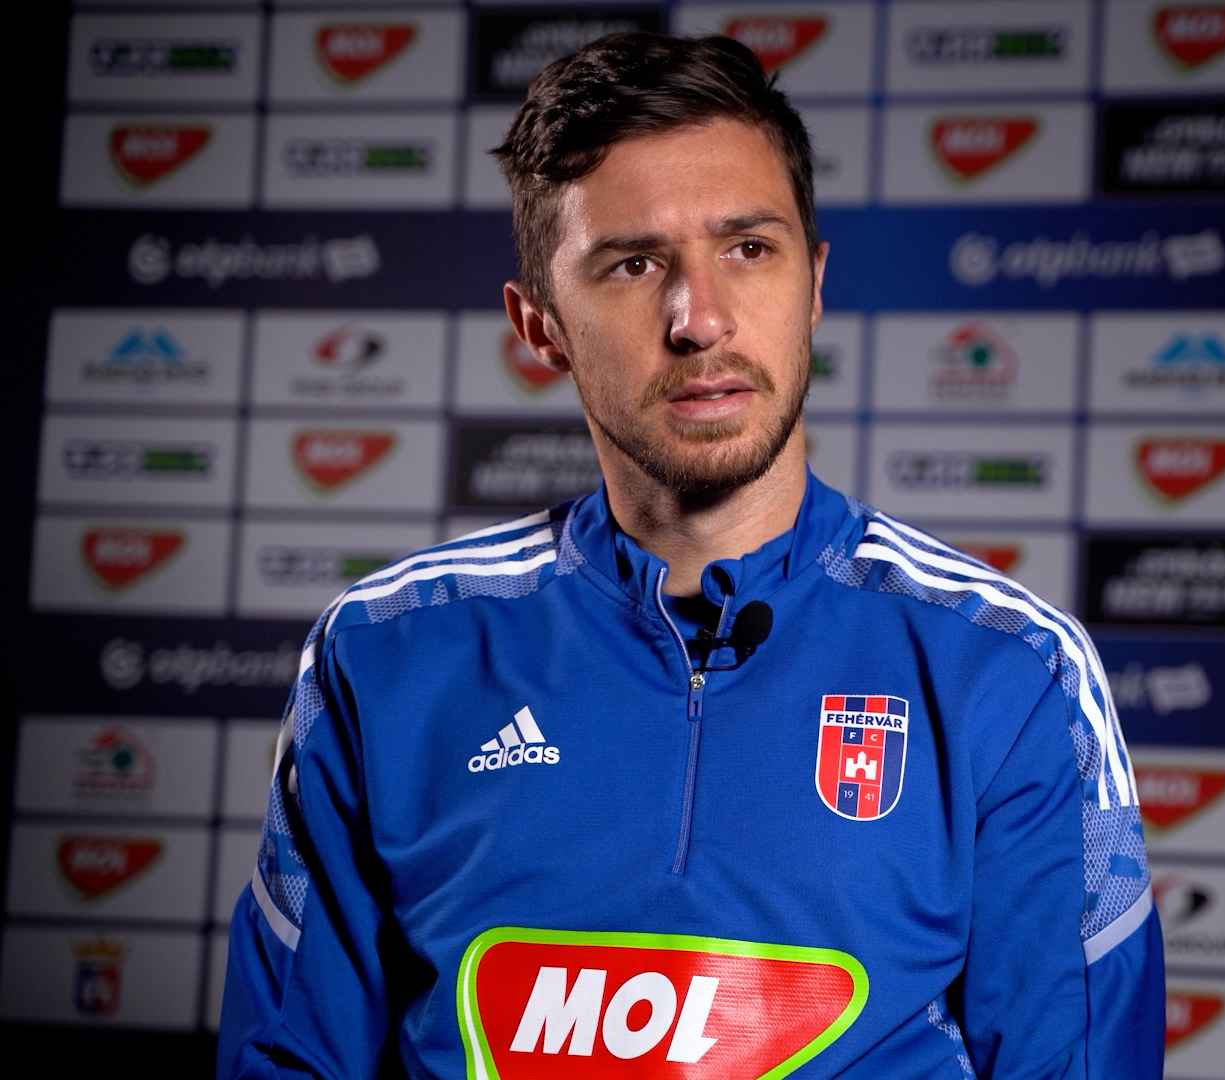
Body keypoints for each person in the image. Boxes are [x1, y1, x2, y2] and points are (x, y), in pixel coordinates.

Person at [219, 32, 1161, 1080]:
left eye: (748, 249)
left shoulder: (1010, 672)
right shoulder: (385, 655)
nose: (700, 319)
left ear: (813, 285)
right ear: (541, 325)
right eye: (633, 264)